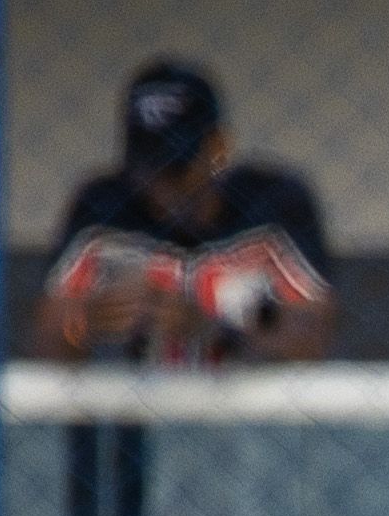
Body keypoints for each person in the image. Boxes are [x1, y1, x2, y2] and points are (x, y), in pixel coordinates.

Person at [31, 62, 338, 366]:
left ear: (219, 149)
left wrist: (214, 324)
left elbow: (311, 338)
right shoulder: (103, 207)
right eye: (148, 168)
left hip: (247, 411)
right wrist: (86, 321)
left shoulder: (272, 202)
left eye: (177, 169)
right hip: (134, 411)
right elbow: (49, 334)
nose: (161, 187)